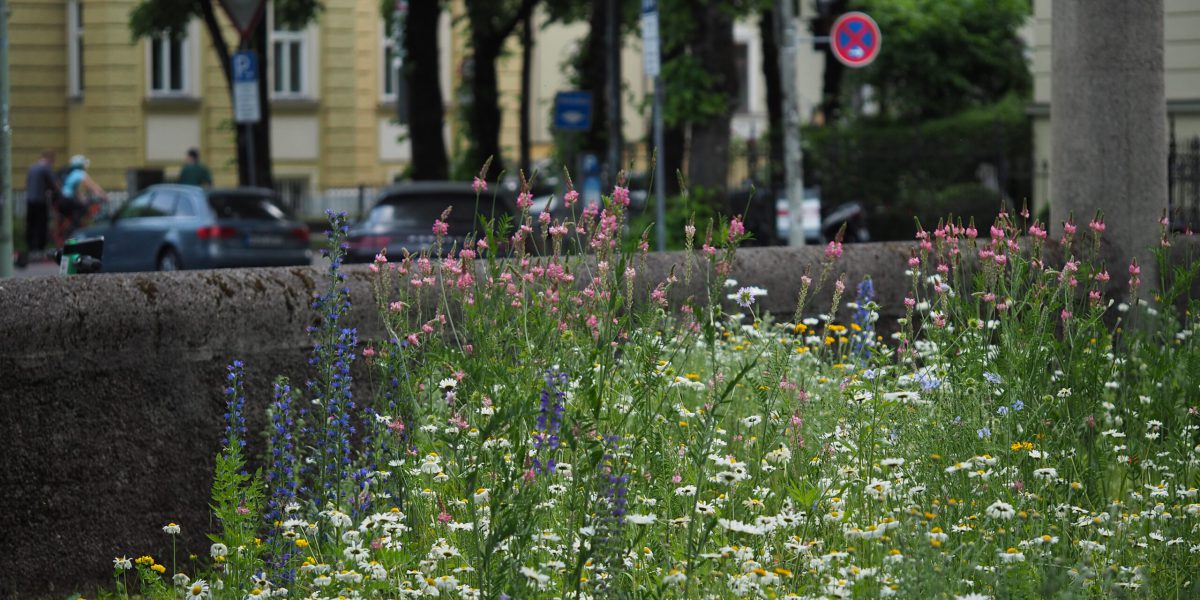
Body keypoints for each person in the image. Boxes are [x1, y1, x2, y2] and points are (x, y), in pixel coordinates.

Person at [20, 150, 60, 266]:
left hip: (30, 200)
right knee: (41, 224)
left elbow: (26, 184)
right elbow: (54, 184)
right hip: (40, 200)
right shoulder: (46, 168)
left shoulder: (32, 167)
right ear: (50, 159)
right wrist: (59, 192)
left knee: (31, 224)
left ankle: (31, 247)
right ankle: (40, 248)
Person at [58, 154, 108, 241]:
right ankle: (73, 232)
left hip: (63, 200)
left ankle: (71, 230)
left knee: (78, 209)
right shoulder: (80, 173)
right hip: (68, 199)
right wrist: (103, 195)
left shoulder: (72, 173)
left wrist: (81, 198)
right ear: (81, 165)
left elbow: (74, 190)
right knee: (83, 209)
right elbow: (92, 186)